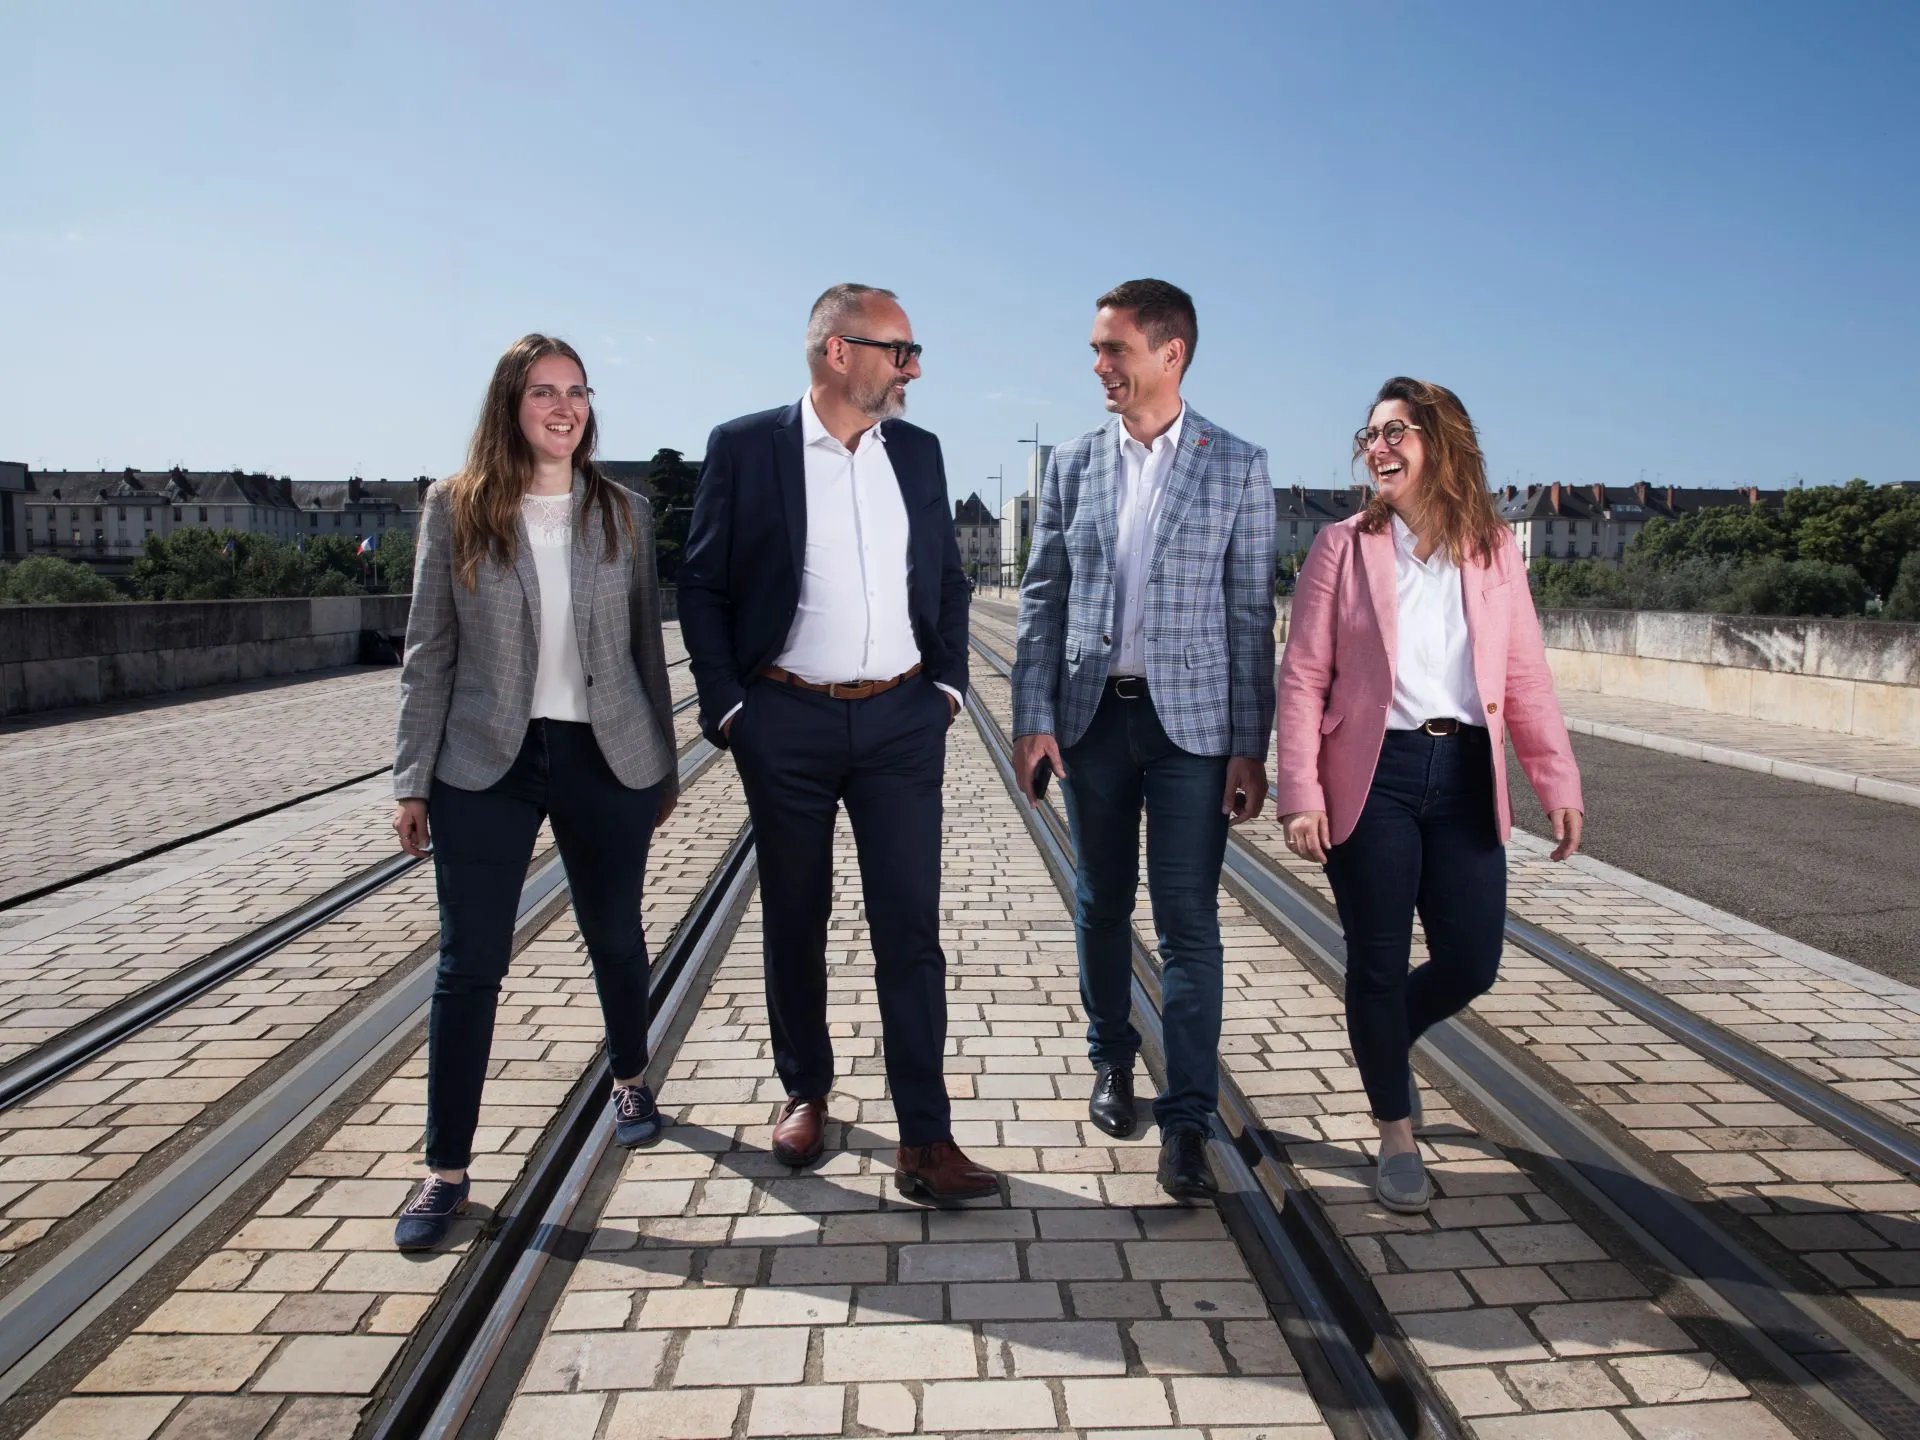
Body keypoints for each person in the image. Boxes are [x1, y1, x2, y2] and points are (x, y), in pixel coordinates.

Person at [678, 284, 995, 1203]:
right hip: (787, 721)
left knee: (911, 928)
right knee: (795, 916)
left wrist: (944, 685)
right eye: (900, 351)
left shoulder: (921, 452)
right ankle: (804, 1090)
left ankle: (926, 1140)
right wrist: (732, 710)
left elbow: (945, 575)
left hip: (901, 721)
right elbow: (700, 586)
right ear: (837, 352)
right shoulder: (747, 448)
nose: (915, 369)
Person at [388, 334, 679, 1251]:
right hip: (484, 761)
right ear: (509, 405)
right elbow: (428, 651)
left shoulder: (622, 512)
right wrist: (410, 779)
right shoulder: (457, 508)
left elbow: (644, 647)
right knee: (469, 960)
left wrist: (661, 761)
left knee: (615, 933)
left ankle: (630, 1074)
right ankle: (444, 1171)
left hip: (605, 753)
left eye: (578, 393)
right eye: (545, 392)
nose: (565, 408)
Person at [1274, 377, 1584, 1214]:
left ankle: (1385, 1038)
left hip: (1465, 776)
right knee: (1376, 962)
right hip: (1372, 778)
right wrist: (1299, 791)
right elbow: (1303, 675)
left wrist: (1555, 778)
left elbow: (1524, 675)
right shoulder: (1341, 546)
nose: (1378, 448)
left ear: (1441, 446)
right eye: (1370, 435)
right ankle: (1396, 1130)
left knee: (1471, 961)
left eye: (1397, 433)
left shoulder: (1491, 549)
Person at [1011, 279, 1276, 1201]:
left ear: (1171, 354)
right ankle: (1112, 1058)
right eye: (1095, 349)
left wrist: (1252, 745)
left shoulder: (1238, 465)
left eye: (1112, 349)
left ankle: (1189, 1119)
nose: (1098, 366)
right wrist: (1032, 718)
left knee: (1189, 924)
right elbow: (1044, 597)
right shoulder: (1073, 465)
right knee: (1100, 903)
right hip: (1092, 720)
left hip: (1193, 730)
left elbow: (1251, 614)